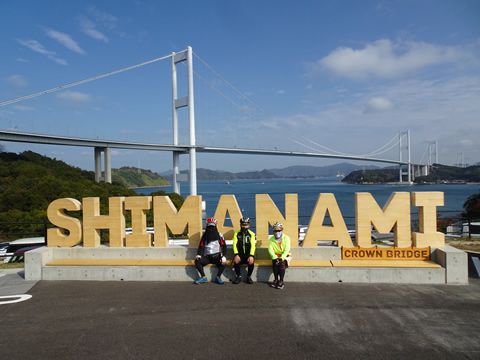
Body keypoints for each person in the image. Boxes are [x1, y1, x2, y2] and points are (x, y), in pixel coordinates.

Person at [194, 217, 227, 285]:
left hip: (217, 256)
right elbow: (200, 246)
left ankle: (218, 277)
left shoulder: (219, 235)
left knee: (224, 262)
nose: (211, 228)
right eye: (209, 226)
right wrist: (199, 255)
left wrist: (224, 256)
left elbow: (224, 246)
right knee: (197, 261)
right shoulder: (204, 236)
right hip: (207, 257)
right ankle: (203, 277)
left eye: (212, 226)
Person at [232, 217, 256, 284]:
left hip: (248, 254)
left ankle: (248, 276)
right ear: (240, 225)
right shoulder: (236, 233)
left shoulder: (251, 234)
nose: (244, 226)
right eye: (242, 224)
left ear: (249, 225)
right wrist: (236, 254)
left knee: (251, 261)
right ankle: (238, 276)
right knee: (236, 261)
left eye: (246, 224)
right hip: (240, 254)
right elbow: (234, 245)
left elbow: (253, 245)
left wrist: (251, 255)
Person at [268, 222, 291, 289]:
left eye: (279, 230)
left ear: (282, 230)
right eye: (275, 230)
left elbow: (287, 249)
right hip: (276, 255)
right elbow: (270, 250)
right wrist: (274, 257)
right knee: (275, 263)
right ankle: (276, 279)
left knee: (281, 263)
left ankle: (281, 280)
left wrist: (282, 258)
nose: (277, 232)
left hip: (285, 255)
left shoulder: (286, 238)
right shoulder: (271, 239)